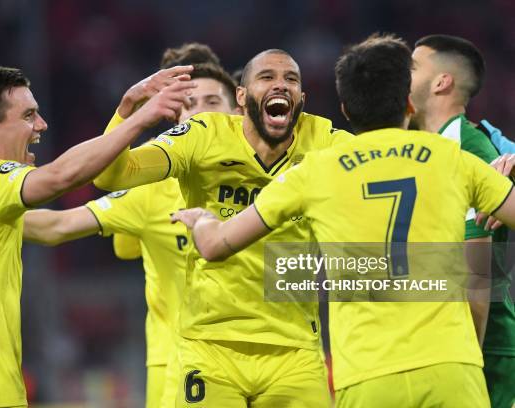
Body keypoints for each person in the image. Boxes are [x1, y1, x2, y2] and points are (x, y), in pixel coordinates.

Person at [172, 34, 515, 407]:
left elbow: (215, 246)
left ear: (346, 110)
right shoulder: (452, 157)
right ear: (408, 104)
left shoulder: (316, 170)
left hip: (366, 377)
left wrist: (203, 219)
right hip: (450, 369)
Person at [0, 64, 194, 408]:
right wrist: (137, 119)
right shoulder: (152, 194)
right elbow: (64, 180)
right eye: (30, 115)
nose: (42, 125)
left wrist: (124, 112)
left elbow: (46, 226)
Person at [93, 48, 353, 407]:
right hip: (211, 346)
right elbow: (112, 175)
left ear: (302, 101)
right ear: (242, 97)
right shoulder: (204, 135)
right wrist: (128, 110)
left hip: (295, 349)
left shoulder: (325, 141)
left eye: (291, 79)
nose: (281, 84)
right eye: (267, 77)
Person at [24, 58, 238, 408]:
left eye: (212, 103)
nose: (201, 115)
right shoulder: (151, 191)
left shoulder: (271, 183)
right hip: (179, 365)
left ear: (239, 114)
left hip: (266, 359)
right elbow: (59, 225)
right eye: (189, 106)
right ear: (177, 121)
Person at [410, 34, 515, 408]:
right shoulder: (427, 147)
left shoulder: (470, 149)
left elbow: (478, 279)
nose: (400, 77)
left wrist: (463, 362)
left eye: (412, 67)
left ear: (441, 82)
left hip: (486, 351)